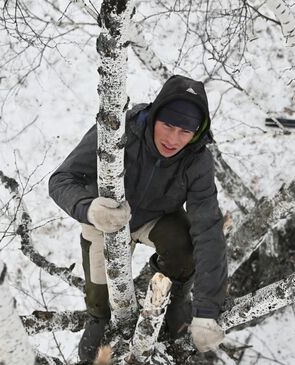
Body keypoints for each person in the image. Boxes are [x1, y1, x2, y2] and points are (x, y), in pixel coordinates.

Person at [49, 75, 227, 362]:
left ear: (196, 133)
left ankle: (177, 298)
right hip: (105, 217)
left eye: (185, 131)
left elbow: (208, 227)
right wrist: (89, 209)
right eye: (168, 125)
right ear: (154, 115)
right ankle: (97, 317)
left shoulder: (197, 159)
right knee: (102, 296)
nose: (173, 139)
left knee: (186, 248)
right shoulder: (121, 131)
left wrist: (207, 312)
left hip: (156, 216)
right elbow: (60, 180)